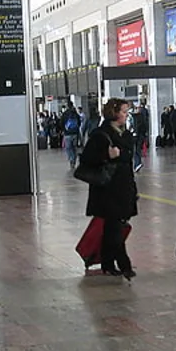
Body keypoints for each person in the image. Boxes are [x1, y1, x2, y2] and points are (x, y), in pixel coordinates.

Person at [80, 97, 138, 279]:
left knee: (113, 228)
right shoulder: (100, 135)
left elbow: (128, 160)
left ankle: (108, 262)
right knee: (114, 227)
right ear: (113, 112)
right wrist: (107, 155)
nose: (126, 115)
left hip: (124, 187)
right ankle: (122, 264)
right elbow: (87, 160)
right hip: (108, 189)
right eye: (123, 112)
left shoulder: (126, 134)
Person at [61, 102, 81, 169]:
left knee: (68, 148)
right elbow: (79, 122)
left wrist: (63, 130)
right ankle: (74, 160)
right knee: (74, 147)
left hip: (67, 134)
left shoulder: (65, 113)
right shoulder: (75, 113)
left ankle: (71, 159)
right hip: (75, 133)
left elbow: (61, 122)